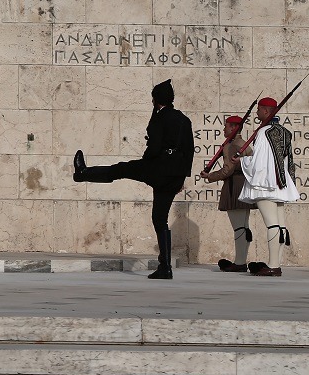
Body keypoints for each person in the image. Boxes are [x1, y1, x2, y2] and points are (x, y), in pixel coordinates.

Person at [72, 79, 194, 280]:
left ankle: (83, 173)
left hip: (157, 168)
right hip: (175, 175)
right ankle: (165, 267)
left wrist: (145, 163)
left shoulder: (160, 118)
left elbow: (154, 147)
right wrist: (182, 177)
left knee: (120, 169)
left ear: (155, 100)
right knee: (160, 218)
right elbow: (189, 151)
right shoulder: (183, 119)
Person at [236, 97, 298, 277]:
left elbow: (259, 162)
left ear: (265, 111)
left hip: (266, 183)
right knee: (280, 225)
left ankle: (273, 266)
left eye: (258, 110)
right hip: (281, 182)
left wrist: (242, 161)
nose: (256, 113)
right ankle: (276, 263)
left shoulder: (264, 132)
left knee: (272, 226)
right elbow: (289, 161)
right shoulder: (285, 132)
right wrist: (288, 181)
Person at [199, 115, 257, 273]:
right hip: (244, 185)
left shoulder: (232, 146)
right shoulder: (244, 144)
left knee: (239, 227)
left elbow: (228, 170)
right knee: (244, 226)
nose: (224, 129)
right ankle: (241, 260)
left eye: (226, 126)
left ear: (233, 128)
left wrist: (209, 176)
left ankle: (239, 262)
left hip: (234, 186)